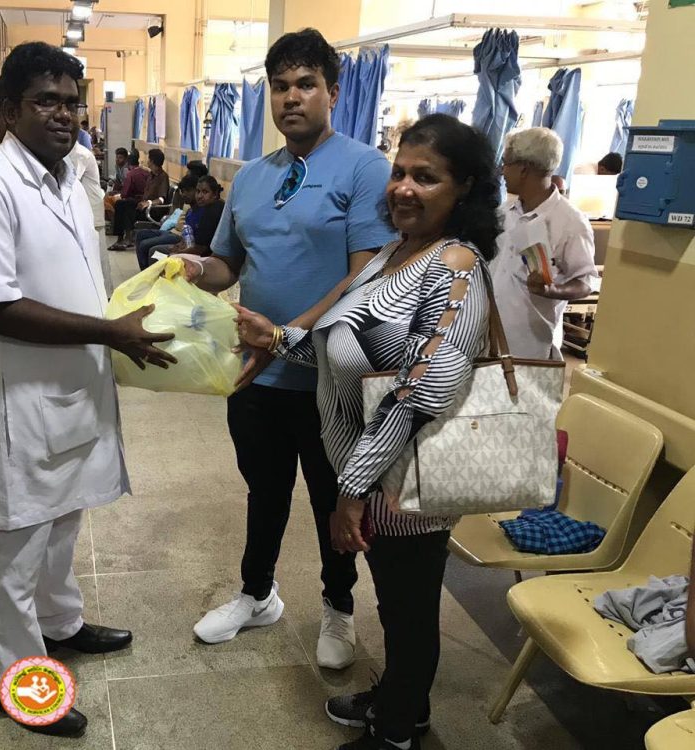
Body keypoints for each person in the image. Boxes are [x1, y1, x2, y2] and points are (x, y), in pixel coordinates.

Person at [234, 114, 500, 750]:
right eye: (399, 172)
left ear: (464, 187)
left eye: (425, 178)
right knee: (396, 603)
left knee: (409, 610)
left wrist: (351, 488)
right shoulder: (393, 254)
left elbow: (425, 390)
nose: (403, 188)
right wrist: (275, 338)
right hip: (370, 471)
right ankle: (403, 702)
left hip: (405, 481)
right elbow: (340, 349)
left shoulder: (456, 267)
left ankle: (397, 731)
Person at [0, 42, 176, 739]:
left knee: (64, 520)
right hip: (23, 402)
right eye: (45, 100)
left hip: (75, 390)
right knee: (15, 546)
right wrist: (109, 334)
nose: (63, 114)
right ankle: (13, 680)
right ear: (9, 110)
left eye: (72, 102)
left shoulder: (71, 177)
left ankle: (59, 622)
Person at [184, 28, 397, 670]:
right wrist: (192, 269)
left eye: (306, 84)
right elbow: (228, 264)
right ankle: (257, 595)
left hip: (332, 378)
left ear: (334, 92)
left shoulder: (364, 167)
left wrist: (285, 337)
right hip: (257, 375)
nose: (291, 98)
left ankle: (338, 607)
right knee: (265, 490)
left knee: (334, 501)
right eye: (280, 87)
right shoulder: (252, 177)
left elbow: (366, 276)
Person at [493, 127, 598, 359]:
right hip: (489, 336)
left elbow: (585, 282)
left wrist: (552, 290)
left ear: (523, 169)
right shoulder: (504, 212)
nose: (502, 171)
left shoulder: (570, 222)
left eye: (506, 163)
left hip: (530, 344)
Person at [70, 130, 114, 297]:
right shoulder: (73, 154)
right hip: (85, 212)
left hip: (92, 213)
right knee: (93, 257)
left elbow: (69, 181)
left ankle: (105, 296)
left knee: (98, 257)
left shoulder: (80, 154)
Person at [133, 173, 198, 269]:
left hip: (177, 236)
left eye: (187, 191)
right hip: (173, 231)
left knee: (146, 245)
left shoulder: (198, 208)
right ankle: (144, 271)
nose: (183, 194)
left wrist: (179, 247)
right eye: (182, 191)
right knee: (141, 234)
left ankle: (148, 273)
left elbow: (189, 236)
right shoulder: (190, 207)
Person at [110, 148, 168, 250]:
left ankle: (128, 239)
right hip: (143, 204)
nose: (147, 161)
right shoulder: (150, 175)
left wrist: (148, 203)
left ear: (153, 161)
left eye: (149, 159)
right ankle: (120, 237)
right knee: (120, 203)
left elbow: (162, 198)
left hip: (153, 209)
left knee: (128, 209)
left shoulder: (163, 177)